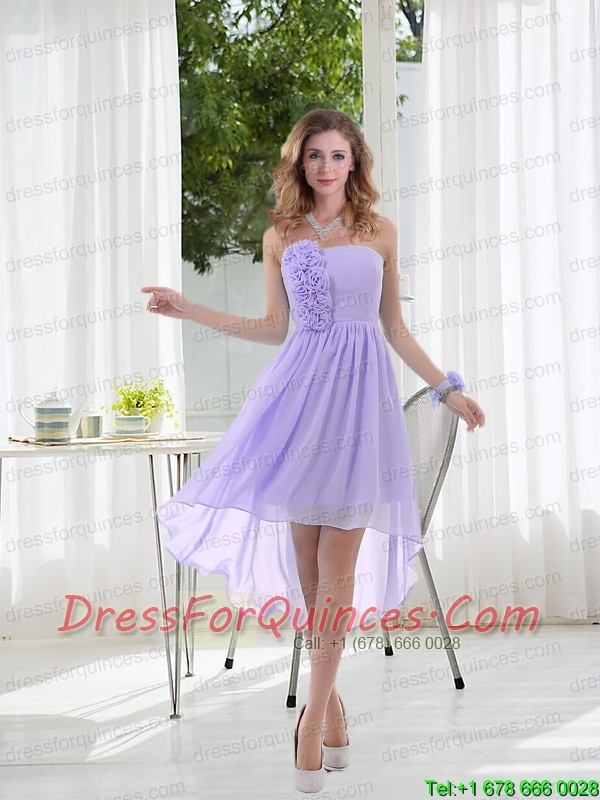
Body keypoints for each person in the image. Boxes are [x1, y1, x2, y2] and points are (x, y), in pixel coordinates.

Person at [142, 108, 485, 793]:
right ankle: (332, 709)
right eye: (315, 156)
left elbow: (395, 329)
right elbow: (274, 329)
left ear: (355, 163)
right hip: (297, 405)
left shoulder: (381, 232)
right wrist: (188, 309)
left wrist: (446, 389)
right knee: (309, 576)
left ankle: (308, 724)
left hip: (361, 411)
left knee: (336, 567)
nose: (326, 166)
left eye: (338, 155)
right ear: (300, 164)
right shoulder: (281, 234)